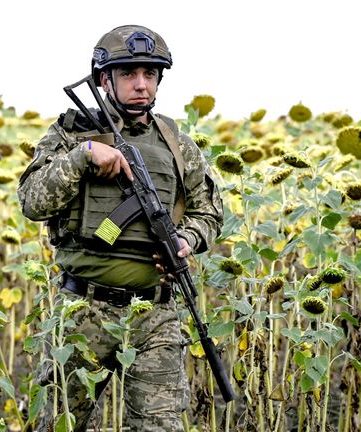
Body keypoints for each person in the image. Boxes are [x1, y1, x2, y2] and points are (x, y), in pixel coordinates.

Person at [18, 25, 223, 431]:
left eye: (150, 74)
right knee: (56, 423)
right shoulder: (70, 133)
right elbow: (32, 201)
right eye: (129, 74)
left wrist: (186, 238)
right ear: (103, 80)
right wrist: (82, 157)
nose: (141, 85)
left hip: (156, 312)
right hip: (84, 311)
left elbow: (209, 212)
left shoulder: (176, 144)